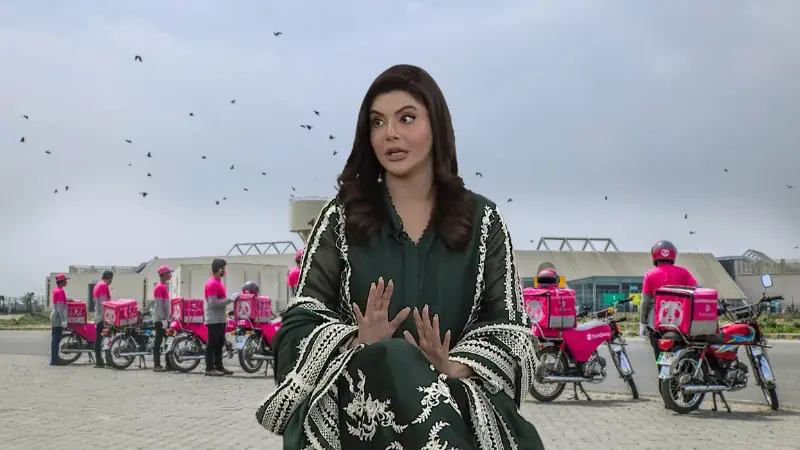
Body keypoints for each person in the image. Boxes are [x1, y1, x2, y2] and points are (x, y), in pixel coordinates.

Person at [256, 65, 542, 449]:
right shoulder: (341, 217)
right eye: (378, 122)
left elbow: (511, 331)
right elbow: (298, 323)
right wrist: (354, 341)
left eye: (406, 118)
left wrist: (454, 365)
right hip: (359, 406)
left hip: (458, 398)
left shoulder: (483, 220)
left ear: (436, 126)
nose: (390, 133)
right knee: (391, 357)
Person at [640, 240, 698, 362]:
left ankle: (664, 371)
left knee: (661, 360)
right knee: (685, 357)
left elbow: (645, 302)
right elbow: (697, 290)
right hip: (681, 324)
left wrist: (643, 322)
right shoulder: (683, 272)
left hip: (656, 325)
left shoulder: (650, 275)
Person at [204, 258, 234, 377]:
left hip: (220, 318)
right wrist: (229, 299)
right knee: (212, 344)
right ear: (219, 269)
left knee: (220, 343)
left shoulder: (218, 282)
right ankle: (209, 368)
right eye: (223, 268)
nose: (225, 270)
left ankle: (219, 366)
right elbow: (213, 302)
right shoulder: (212, 283)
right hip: (213, 319)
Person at [152, 265, 174, 372]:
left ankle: (168, 364)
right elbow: (159, 305)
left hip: (164, 319)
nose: (170, 275)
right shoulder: (159, 287)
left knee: (168, 341)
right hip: (161, 320)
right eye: (168, 273)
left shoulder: (164, 286)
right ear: (163, 274)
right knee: (159, 342)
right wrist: (163, 319)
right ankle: (157, 365)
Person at [92, 270, 114, 368]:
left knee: (99, 339)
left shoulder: (97, 285)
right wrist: (107, 318)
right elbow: (104, 303)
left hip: (98, 316)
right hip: (103, 317)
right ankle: (108, 361)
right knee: (107, 338)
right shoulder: (103, 286)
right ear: (109, 278)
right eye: (111, 279)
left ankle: (98, 360)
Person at [50, 273, 72, 366]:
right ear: (62, 282)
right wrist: (63, 320)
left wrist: (69, 300)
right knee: (56, 339)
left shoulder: (57, 290)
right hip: (58, 317)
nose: (66, 282)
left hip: (55, 316)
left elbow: (62, 300)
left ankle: (54, 358)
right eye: (65, 280)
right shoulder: (60, 291)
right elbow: (60, 308)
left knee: (55, 338)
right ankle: (54, 360)